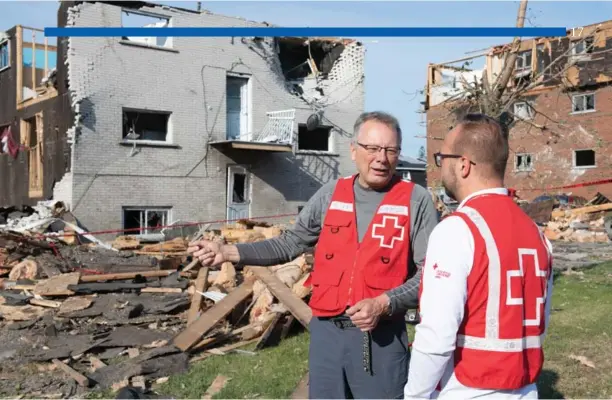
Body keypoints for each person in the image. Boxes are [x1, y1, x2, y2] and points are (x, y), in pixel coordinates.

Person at [188, 111, 438, 399]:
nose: (381, 158)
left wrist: (384, 304)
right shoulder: (332, 193)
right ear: (354, 150)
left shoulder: (415, 200)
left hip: (380, 338)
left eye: (390, 150)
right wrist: (228, 251)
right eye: (372, 148)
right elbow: (290, 243)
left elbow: (430, 275)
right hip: (327, 336)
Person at [404, 114, 554, 399]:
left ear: (463, 165)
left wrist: (414, 395)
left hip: (466, 389)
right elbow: (540, 321)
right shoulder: (537, 234)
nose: (440, 167)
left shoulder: (457, 230)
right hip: (525, 389)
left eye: (442, 158)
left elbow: (436, 337)